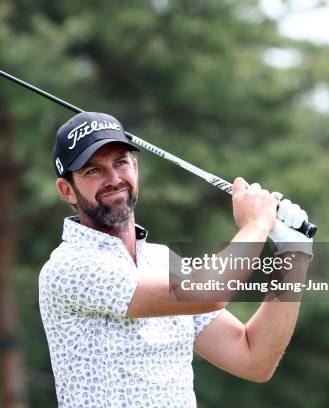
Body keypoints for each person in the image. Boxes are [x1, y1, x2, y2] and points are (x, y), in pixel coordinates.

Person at [39, 112, 313, 407]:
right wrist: (256, 224)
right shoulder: (70, 267)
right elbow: (212, 292)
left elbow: (253, 358)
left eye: (120, 162)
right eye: (93, 171)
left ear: (136, 167)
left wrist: (293, 252)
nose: (114, 179)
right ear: (67, 190)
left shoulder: (161, 262)